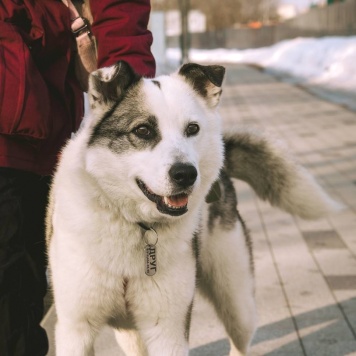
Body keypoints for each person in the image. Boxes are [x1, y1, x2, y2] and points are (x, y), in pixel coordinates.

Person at [0, 1, 155, 355]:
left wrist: (132, 101)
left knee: (18, 293)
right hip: (29, 119)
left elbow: (119, 14)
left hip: (35, 132)